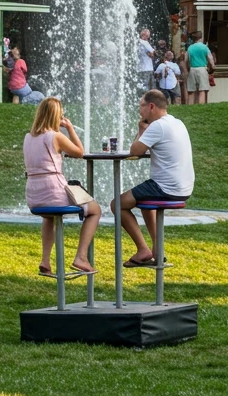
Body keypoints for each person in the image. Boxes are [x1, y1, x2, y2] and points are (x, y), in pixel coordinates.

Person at [111, 90, 194, 267]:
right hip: (184, 188)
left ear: (151, 106)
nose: (139, 111)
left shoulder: (158, 126)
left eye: (141, 106)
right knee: (144, 202)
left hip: (166, 188)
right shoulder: (177, 123)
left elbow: (134, 152)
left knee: (117, 204)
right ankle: (158, 249)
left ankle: (143, 249)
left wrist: (141, 131)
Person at [24, 97, 101, 275]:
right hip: (53, 190)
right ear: (56, 116)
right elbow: (79, 152)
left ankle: (45, 260)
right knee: (95, 210)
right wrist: (71, 129)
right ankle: (81, 257)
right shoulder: (55, 136)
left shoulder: (28, 137)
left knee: (48, 216)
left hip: (34, 196)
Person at [185, 31, 213, 104]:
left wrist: (188, 69)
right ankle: (201, 107)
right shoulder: (204, 47)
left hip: (192, 69)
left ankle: (190, 107)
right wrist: (212, 68)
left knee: (191, 90)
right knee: (202, 90)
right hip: (202, 69)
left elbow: (186, 60)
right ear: (201, 37)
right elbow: (210, 58)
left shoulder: (190, 48)